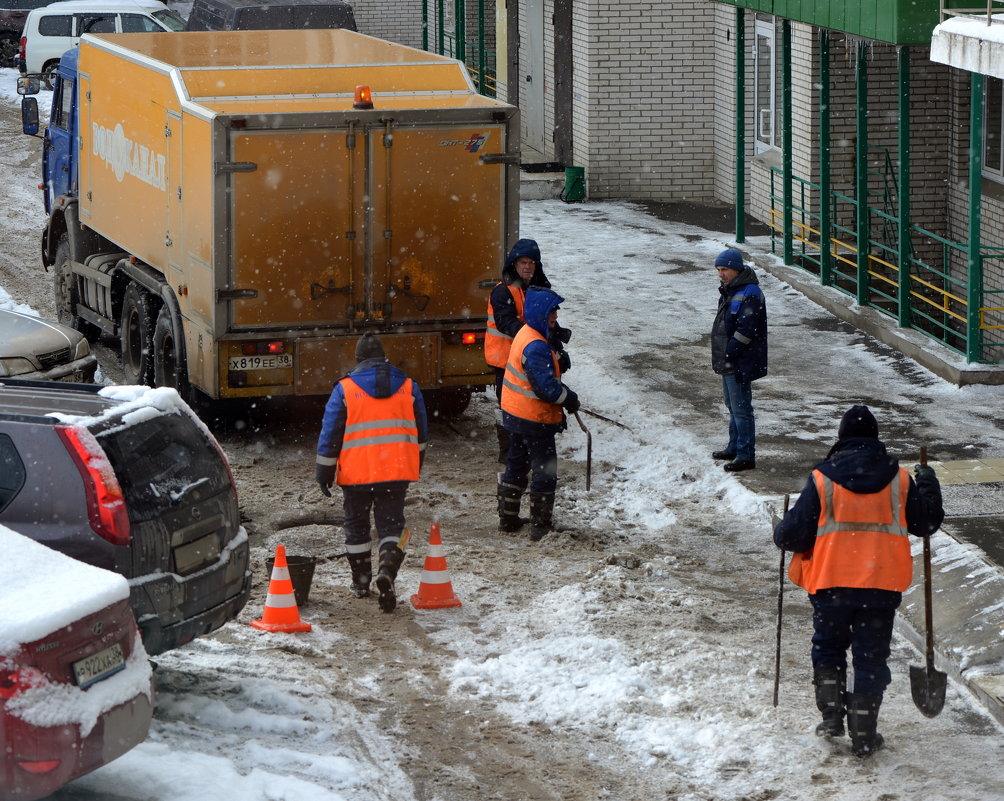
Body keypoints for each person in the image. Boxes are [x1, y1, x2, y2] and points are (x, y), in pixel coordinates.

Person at [773, 405, 944, 757]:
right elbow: (925, 523)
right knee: (871, 656)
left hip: (831, 581)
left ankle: (832, 717)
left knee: (829, 646)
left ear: (841, 439)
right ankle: (864, 733)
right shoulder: (900, 479)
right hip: (881, 585)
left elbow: (793, 536)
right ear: (875, 439)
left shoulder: (822, 478)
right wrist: (928, 483)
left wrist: (783, 527)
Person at [315, 333, 429, 613]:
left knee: (356, 527)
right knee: (394, 527)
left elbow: (330, 434)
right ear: (384, 357)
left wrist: (324, 472)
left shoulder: (344, 389)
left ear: (358, 359)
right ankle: (387, 571)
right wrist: (415, 463)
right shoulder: (409, 387)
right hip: (396, 471)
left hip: (356, 475)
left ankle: (361, 582)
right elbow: (422, 435)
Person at [497, 287, 579, 541]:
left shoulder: (526, 334)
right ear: (538, 312)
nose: (555, 315)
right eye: (551, 311)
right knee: (544, 471)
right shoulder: (536, 346)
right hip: (535, 419)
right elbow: (546, 389)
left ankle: (508, 519)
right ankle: (540, 526)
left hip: (515, 414)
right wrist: (569, 398)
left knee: (516, 465)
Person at [485, 238, 570, 463]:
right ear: (514, 263)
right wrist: (537, 340)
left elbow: (542, 319)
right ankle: (511, 454)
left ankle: (525, 449)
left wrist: (557, 342)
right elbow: (507, 323)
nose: (527, 266)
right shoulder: (503, 292)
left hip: (528, 358)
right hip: (506, 360)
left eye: (531, 262)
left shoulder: (535, 289)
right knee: (510, 406)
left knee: (530, 403)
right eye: (523, 262)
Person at [710, 248, 767, 472]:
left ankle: (746, 454)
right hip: (729, 359)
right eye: (718, 270)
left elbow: (747, 330)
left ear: (736, 269)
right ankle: (734, 447)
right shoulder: (731, 290)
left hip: (739, 360)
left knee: (741, 408)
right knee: (732, 405)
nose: (720, 274)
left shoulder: (750, 293)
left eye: (724, 269)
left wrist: (730, 351)